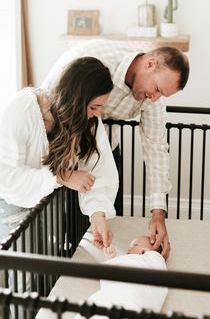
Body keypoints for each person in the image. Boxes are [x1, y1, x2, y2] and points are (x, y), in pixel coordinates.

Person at [41, 39, 190, 259]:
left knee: (107, 218)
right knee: (69, 222)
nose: (155, 98)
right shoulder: (95, 58)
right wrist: (59, 169)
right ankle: (68, 260)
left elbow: (156, 147)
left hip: (105, 150)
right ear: (150, 64)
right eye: (157, 89)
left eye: (162, 95)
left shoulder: (153, 100)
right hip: (66, 145)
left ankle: (112, 261)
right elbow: (49, 100)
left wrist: (158, 213)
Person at [0, 57, 119, 248]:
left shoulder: (88, 122)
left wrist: (98, 214)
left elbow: (98, 171)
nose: (97, 114)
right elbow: (5, 177)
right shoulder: (21, 110)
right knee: (22, 270)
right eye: (93, 107)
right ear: (76, 100)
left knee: (48, 265)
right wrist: (60, 177)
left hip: (47, 205)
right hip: (11, 203)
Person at [75, 235, 168, 318]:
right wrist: (111, 259)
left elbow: (158, 265)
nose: (128, 250)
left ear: (144, 251)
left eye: (135, 245)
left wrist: (154, 254)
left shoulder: (151, 260)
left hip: (134, 295)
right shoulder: (129, 261)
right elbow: (111, 275)